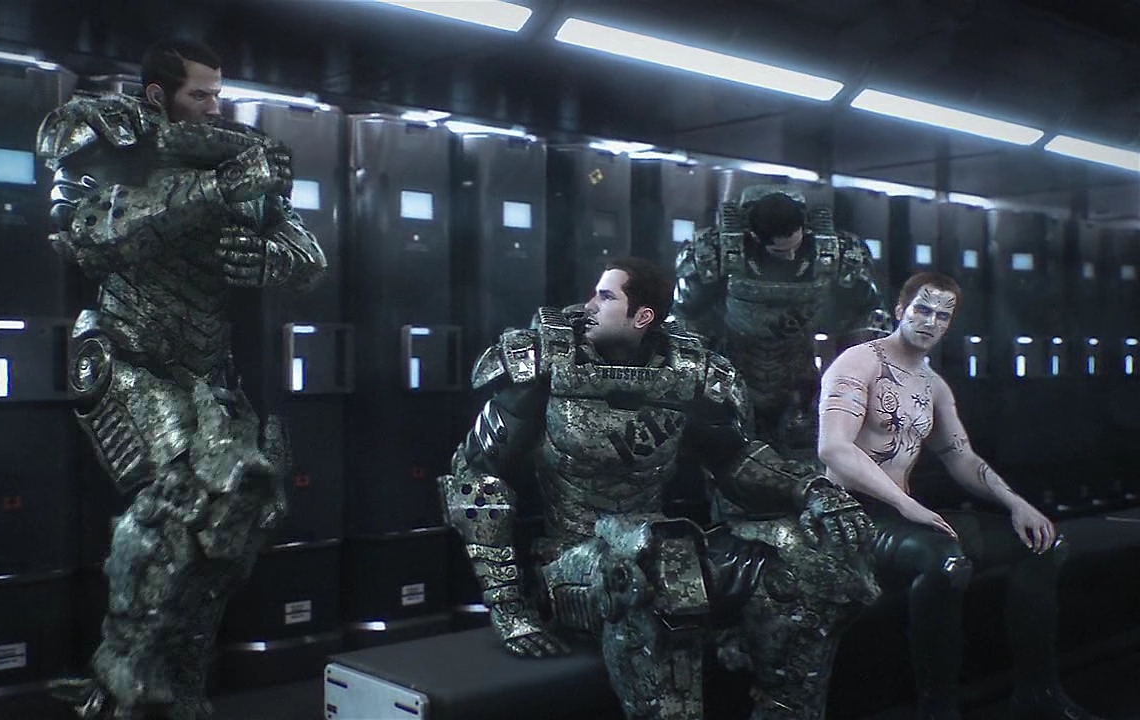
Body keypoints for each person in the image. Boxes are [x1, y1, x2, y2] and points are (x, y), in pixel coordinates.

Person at [441, 257, 879, 720]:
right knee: (665, 557)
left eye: (605, 297)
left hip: (659, 548)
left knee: (803, 550)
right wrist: (509, 607)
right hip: (573, 567)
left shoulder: (686, 372)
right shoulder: (545, 366)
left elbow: (736, 461)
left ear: (642, 316)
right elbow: (474, 479)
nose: (588, 306)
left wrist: (812, 489)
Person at [36, 38, 327, 719]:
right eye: (200, 94)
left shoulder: (241, 156)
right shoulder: (106, 137)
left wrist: (269, 258)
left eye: (218, 93)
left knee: (240, 516)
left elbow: (307, 254)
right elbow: (87, 234)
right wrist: (217, 191)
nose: (213, 106)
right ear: (157, 94)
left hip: (206, 373)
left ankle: (179, 689)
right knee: (182, 499)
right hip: (127, 354)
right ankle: (122, 681)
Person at [817, 271, 1104, 720]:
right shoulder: (859, 362)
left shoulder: (933, 385)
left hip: (903, 512)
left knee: (1045, 545)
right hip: (852, 513)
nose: (930, 322)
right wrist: (906, 503)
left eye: (942, 315)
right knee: (945, 561)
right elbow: (834, 448)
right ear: (900, 310)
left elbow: (960, 456)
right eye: (922, 310)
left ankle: (1037, 693)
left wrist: (1016, 503)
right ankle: (938, 711)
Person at [673, 187, 891, 460]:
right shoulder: (716, 252)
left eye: (794, 246)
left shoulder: (834, 252)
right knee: (728, 457)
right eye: (779, 251)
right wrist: (691, 377)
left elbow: (871, 314)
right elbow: (683, 316)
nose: (789, 256)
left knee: (803, 458)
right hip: (730, 369)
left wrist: (856, 375)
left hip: (799, 374)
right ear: (754, 236)